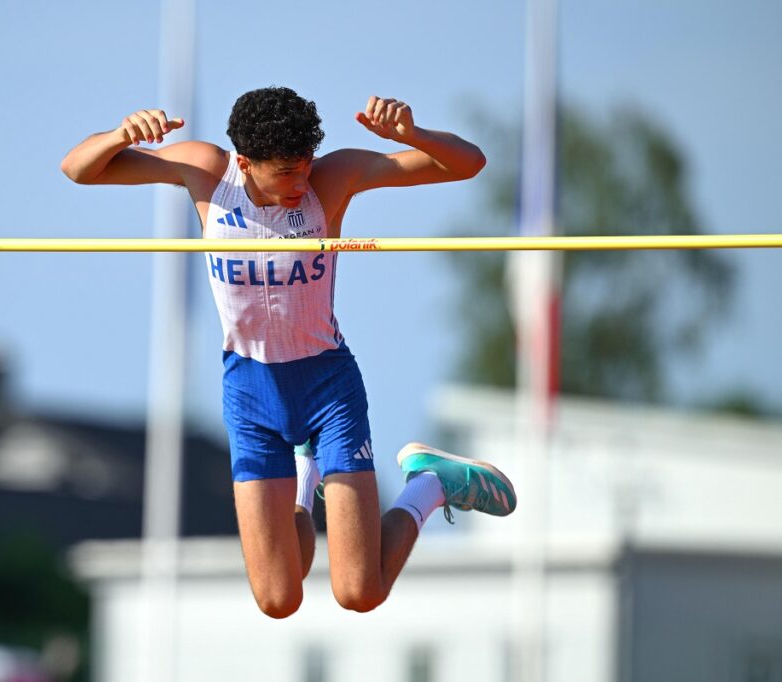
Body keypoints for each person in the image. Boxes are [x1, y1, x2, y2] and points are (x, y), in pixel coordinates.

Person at [61, 87, 516, 618]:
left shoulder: (333, 177)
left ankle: (432, 484)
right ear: (245, 163)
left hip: (327, 388)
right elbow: (78, 169)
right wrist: (121, 135)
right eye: (284, 173)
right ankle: (305, 477)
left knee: (359, 591)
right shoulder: (206, 170)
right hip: (251, 394)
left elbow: (467, 164)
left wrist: (411, 135)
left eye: (304, 167)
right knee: (279, 596)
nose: (301, 184)